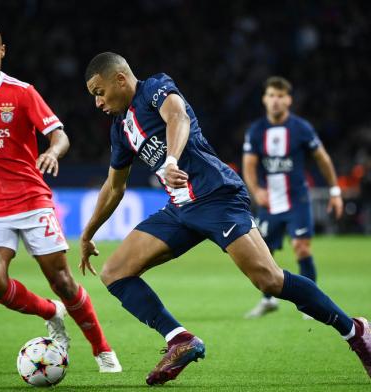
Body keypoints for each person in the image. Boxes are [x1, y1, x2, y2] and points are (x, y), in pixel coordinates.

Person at [80, 51, 371, 385]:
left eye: (99, 92)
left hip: (216, 196)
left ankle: (356, 331)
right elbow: (114, 186)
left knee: (270, 280)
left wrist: (172, 160)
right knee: (115, 272)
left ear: (120, 78)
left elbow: (178, 118)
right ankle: (179, 340)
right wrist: (88, 234)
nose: (97, 102)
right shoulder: (120, 129)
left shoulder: (155, 88)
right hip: (180, 209)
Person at [0, 24, 121, 373]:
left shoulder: (22, 92)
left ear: (3, 51)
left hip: (30, 199)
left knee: (62, 280)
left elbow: (59, 135)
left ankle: (101, 348)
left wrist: (53, 152)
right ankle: (51, 312)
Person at [242, 76, 344, 319]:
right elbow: (249, 165)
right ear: (264, 100)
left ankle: (312, 303)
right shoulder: (256, 131)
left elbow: (323, 159)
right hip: (270, 201)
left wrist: (335, 191)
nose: (275, 101)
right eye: (271, 96)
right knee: (263, 252)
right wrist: (256, 191)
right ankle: (268, 301)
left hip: (297, 199)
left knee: (301, 248)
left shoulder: (301, 128)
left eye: (280, 96)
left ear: (288, 100)